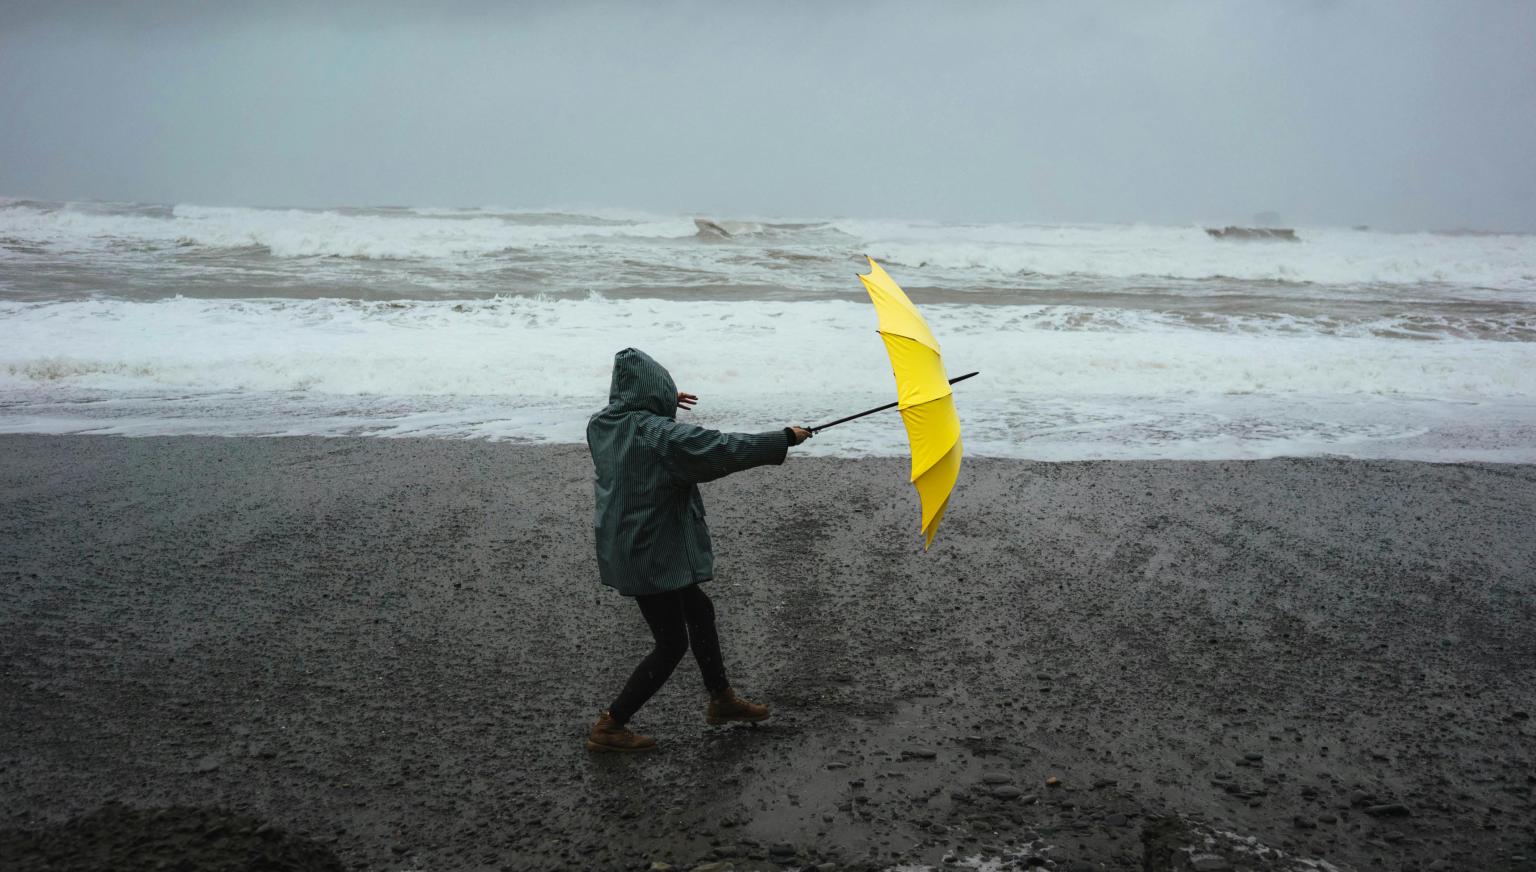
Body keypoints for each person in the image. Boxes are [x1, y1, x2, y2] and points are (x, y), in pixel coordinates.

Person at [584, 348, 812, 752]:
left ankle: (721, 700)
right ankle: (611, 724)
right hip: (650, 552)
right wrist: (783, 439)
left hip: (630, 543)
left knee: (699, 610)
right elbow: (721, 449)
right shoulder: (659, 436)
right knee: (671, 643)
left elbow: (636, 418)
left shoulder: (602, 425)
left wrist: (661, 401)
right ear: (653, 393)